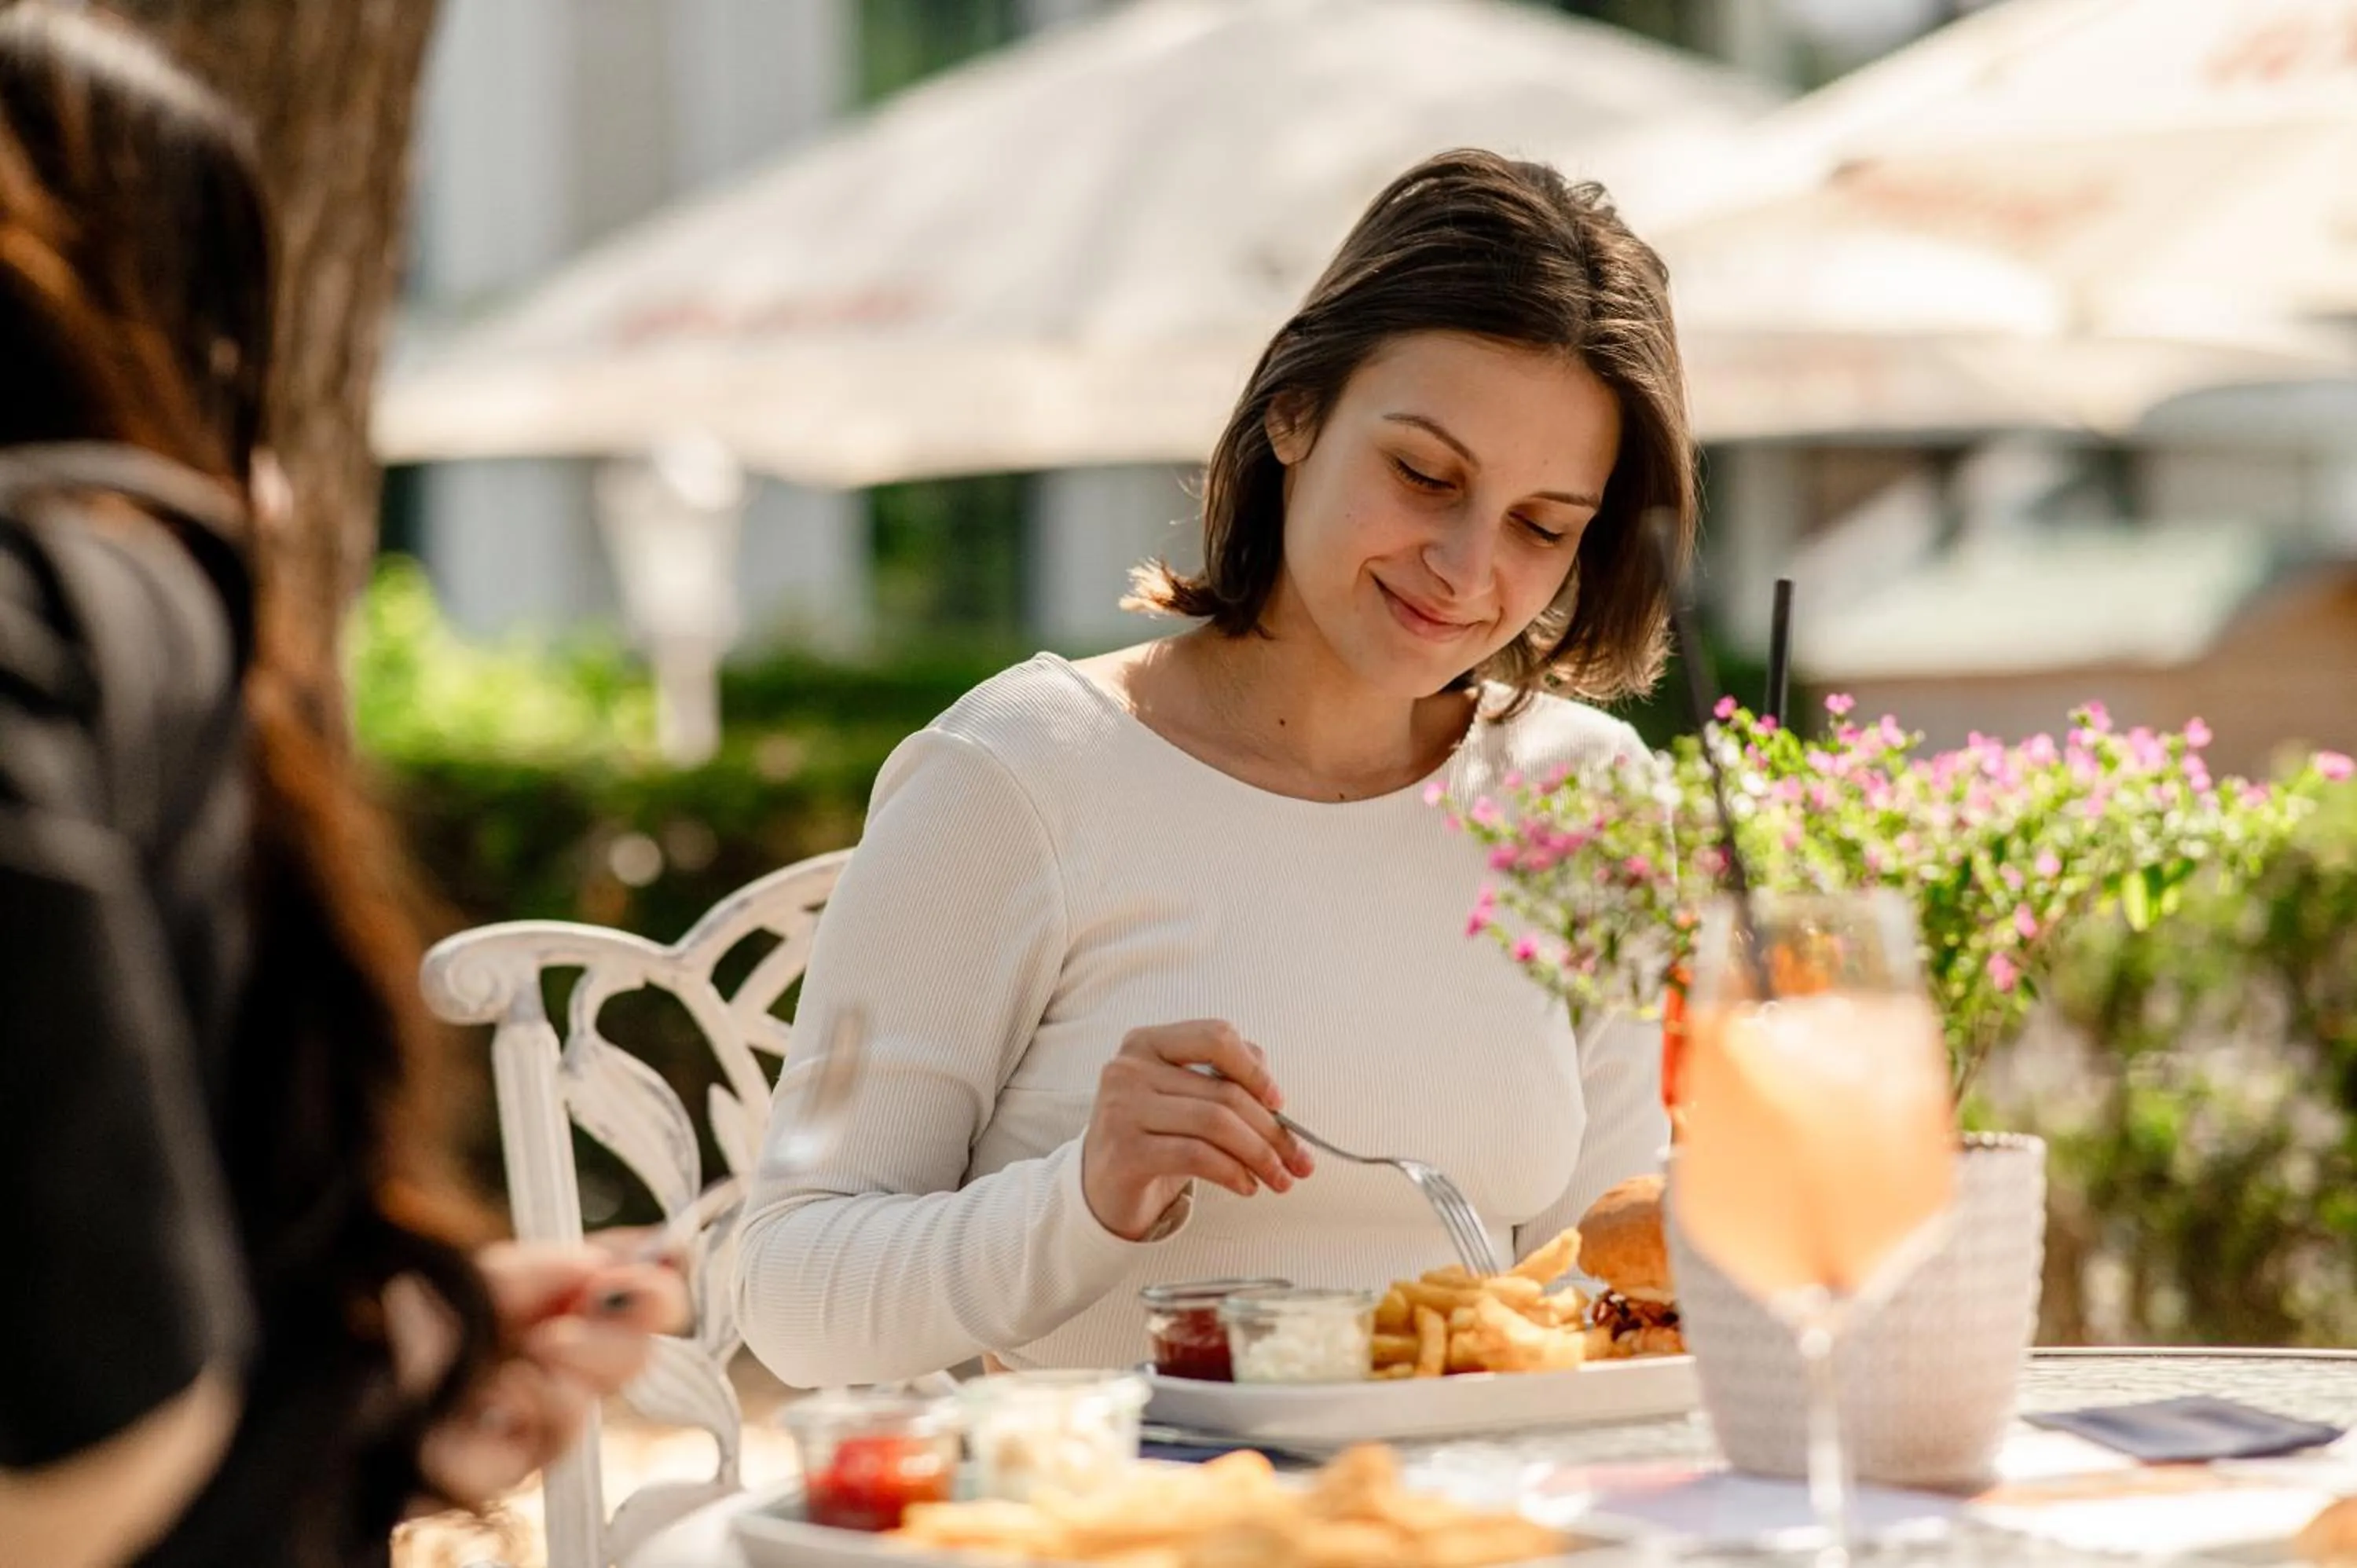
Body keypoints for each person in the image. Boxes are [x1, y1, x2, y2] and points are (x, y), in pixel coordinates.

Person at [737, 148, 1694, 1387]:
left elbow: (1601, 1284)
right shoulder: (1019, 775)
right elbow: (793, 1294)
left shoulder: (1583, 793)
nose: (1466, 568)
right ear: (1293, 412)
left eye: (1541, 526)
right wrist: (1085, 1194)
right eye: (1423, 474)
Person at [0, 9, 684, 1566]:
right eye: (224, 360)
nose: (269, 482)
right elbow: (88, 1436)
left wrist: (385, 1378)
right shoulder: (74, 607)